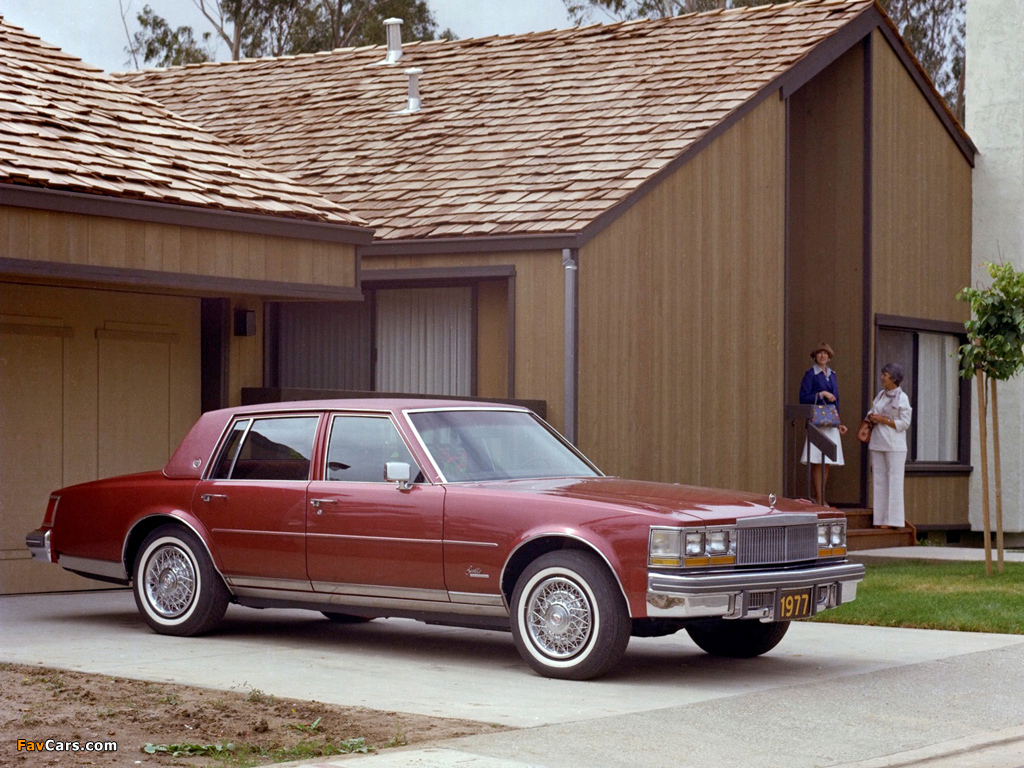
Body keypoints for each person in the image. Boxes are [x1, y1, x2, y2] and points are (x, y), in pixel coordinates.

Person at [799, 342, 847, 504]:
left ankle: (822, 497)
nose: (822, 356)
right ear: (815, 356)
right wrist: (821, 394)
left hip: (830, 421)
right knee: (817, 460)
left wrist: (839, 422)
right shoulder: (810, 374)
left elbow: (836, 400)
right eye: (819, 353)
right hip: (817, 421)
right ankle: (819, 497)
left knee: (826, 461)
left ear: (829, 356)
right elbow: (803, 397)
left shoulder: (832, 374)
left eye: (825, 353)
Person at [866, 363, 912, 529]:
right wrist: (872, 417)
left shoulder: (903, 398)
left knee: (895, 481)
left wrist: (884, 420)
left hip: (895, 445)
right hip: (877, 442)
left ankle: (893, 520)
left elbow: (905, 423)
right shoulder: (880, 395)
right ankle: (879, 519)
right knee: (879, 480)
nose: (882, 377)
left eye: (885, 375)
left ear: (894, 378)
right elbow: (872, 411)